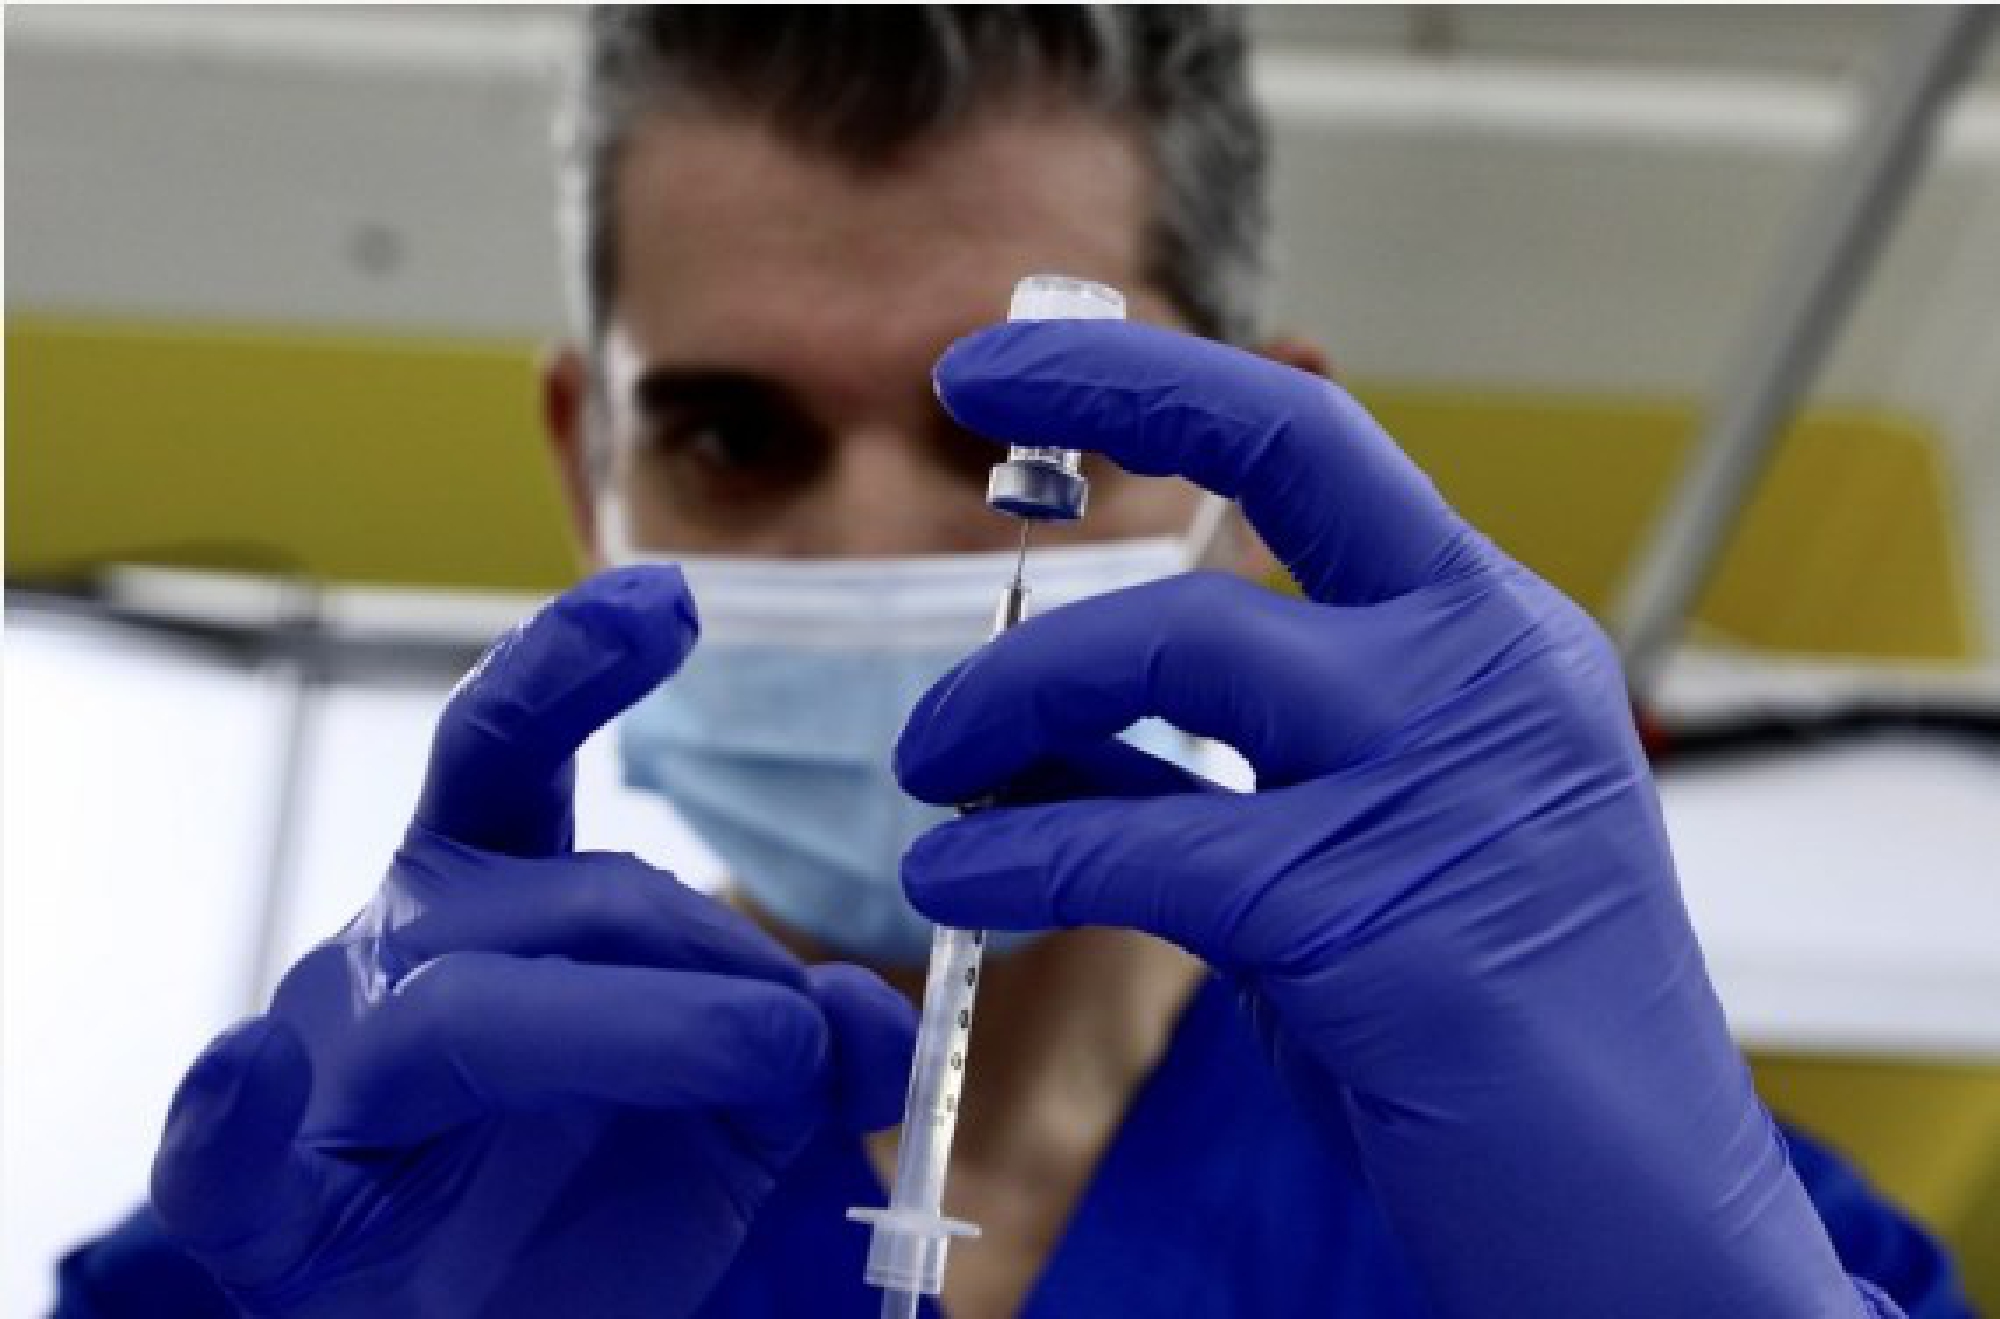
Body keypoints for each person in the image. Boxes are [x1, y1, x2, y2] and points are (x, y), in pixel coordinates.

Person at [54, 8, 1970, 1318]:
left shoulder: (1694, 1243)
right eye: (733, 433)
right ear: (588, 462)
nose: (876, 546)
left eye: (1021, 436)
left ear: (1256, 469)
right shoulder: (314, 1247)